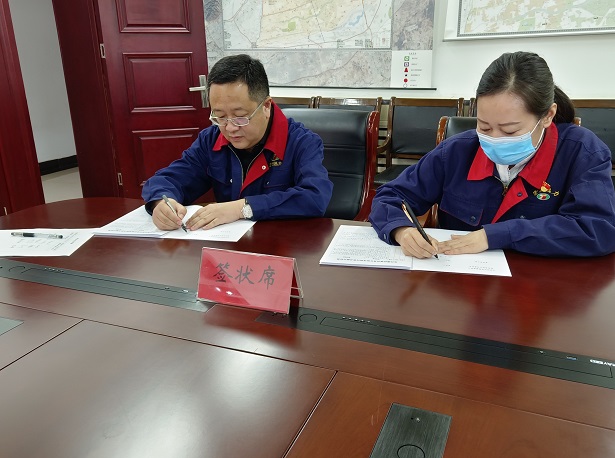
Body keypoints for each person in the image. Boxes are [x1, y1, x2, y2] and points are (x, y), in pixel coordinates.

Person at [369, 51, 615, 258]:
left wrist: (498, 235)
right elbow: (390, 197)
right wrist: (401, 230)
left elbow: (599, 229)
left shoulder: (581, 152)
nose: (495, 139)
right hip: (459, 284)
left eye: (510, 131)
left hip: (538, 288)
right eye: (484, 127)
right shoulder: (457, 151)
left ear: (547, 116)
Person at [142, 54, 333, 230]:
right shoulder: (211, 139)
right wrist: (162, 202)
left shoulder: (302, 142)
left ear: (266, 106)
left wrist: (242, 208)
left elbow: (315, 197)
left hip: (282, 245)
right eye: (220, 117)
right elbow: (167, 179)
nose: (230, 128)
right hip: (228, 245)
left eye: (240, 117)